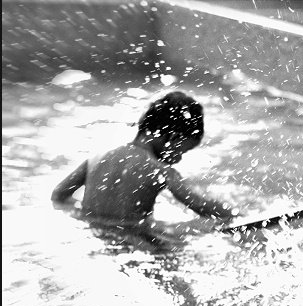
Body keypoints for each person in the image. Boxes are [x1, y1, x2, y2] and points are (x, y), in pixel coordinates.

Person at [51, 91, 234, 237]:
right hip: (136, 239)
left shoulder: (97, 158)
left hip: (93, 233)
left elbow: (58, 195)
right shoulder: (160, 170)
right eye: (181, 151)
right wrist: (232, 214)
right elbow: (203, 206)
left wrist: (94, 216)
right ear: (173, 137)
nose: (178, 159)